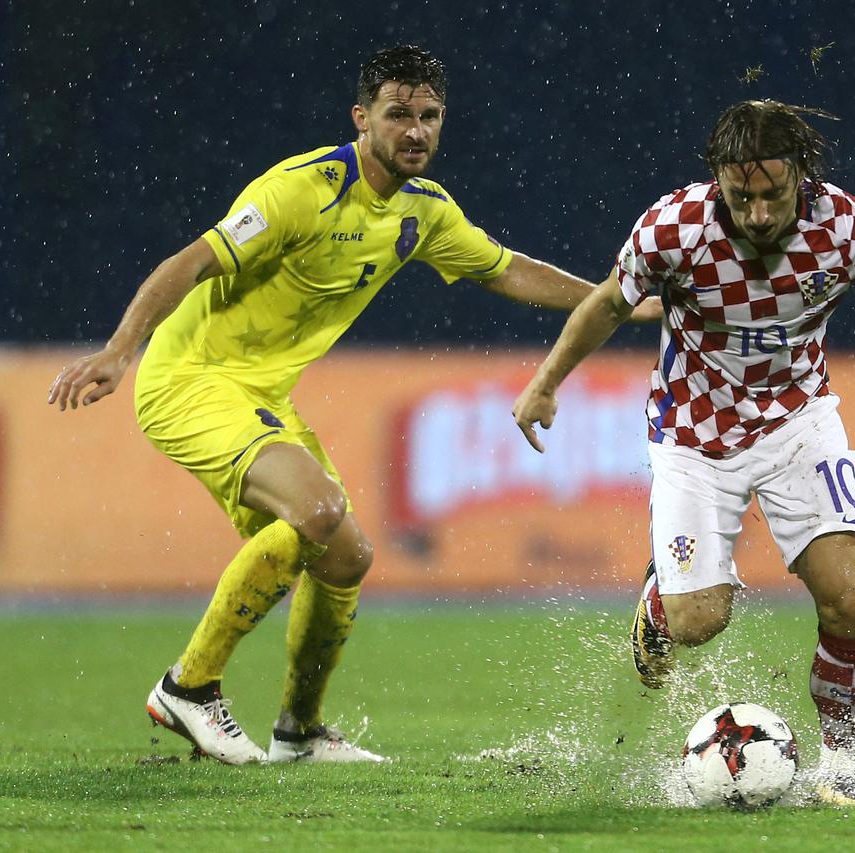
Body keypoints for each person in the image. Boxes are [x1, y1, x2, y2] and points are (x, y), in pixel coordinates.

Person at [48, 45, 656, 765]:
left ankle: (299, 733)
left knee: (344, 556)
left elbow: (505, 270)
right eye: (398, 114)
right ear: (361, 119)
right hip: (188, 379)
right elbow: (194, 260)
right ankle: (189, 686)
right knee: (317, 512)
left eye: (430, 116)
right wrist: (120, 349)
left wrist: (616, 299)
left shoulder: (426, 211)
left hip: (259, 395)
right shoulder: (301, 190)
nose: (416, 131)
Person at [512, 100, 855, 805]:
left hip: (799, 424)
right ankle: (662, 601)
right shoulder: (673, 227)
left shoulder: (850, 227)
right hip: (692, 436)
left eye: (774, 193)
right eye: (742, 196)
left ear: (802, 174)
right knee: (698, 623)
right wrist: (545, 381)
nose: (759, 212)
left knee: (846, 598)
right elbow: (607, 305)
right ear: (718, 177)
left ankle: (841, 764)